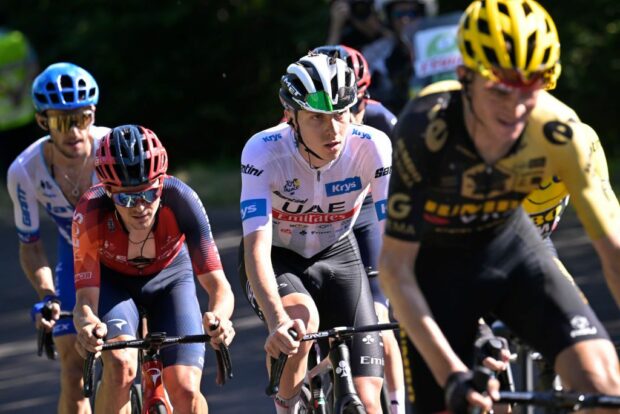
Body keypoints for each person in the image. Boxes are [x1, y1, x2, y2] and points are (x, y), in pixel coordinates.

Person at [378, 0, 620, 413]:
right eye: (500, 90)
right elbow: (395, 269)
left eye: (532, 88)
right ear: (464, 77)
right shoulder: (424, 129)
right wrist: (452, 374)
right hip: (435, 268)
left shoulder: (561, 134)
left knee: (604, 385)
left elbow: (614, 251)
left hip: (510, 248)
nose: (516, 107)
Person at [239, 52, 392, 413]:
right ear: (291, 117)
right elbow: (256, 249)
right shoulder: (263, 152)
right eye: (317, 118)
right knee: (299, 323)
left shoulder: (373, 147)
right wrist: (276, 320)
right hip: (280, 257)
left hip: (339, 253)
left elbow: (394, 236)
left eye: (340, 115)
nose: (333, 130)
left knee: (369, 399)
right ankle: (288, 406)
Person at [72, 125, 235, 414]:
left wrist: (220, 317)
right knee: (121, 366)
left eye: (149, 194)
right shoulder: (90, 211)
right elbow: (85, 300)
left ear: (162, 183)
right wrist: (87, 325)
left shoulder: (182, 200)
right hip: (115, 285)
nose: (140, 207)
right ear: (109, 192)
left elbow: (218, 285)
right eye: (126, 198)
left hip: (171, 279)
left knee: (185, 388)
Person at [7, 62, 107, 414]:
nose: (73, 132)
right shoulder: (24, 170)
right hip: (76, 257)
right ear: (42, 122)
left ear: (92, 115)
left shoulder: (112, 147)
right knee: (73, 368)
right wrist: (48, 295)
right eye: (61, 122)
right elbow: (31, 244)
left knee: (136, 354)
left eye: (81, 119)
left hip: (128, 252)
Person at [313, 43, 405, 414]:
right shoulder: (303, 121)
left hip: (366, 212)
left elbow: (404, 186)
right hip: (320, 220)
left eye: (358, 102)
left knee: (380, 325)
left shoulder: (383, 121)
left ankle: (395, 408)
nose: (350, 116)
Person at [0, 26, 39, 174]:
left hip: (3, 120)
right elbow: (33, 67)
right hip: (25, 113)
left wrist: (9, 93)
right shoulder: (18, 39)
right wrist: (21, 90)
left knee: (9, 168)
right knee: (31, 161)